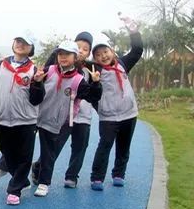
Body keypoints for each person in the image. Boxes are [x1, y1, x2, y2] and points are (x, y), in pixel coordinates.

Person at [29, 40, 102, 197]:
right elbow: (34, 96)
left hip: (57, 122)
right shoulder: (48, 71)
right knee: (24, 147)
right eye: (60, 54)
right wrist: (37, 82)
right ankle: (16, 177)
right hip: (37, 117)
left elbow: (92, 96)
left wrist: (96, 84)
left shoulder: (78, 80)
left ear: (75, 57)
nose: (63, 57)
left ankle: (44, 183)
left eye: (67, 54)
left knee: (49, 153)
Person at [0, 35, 45, 205]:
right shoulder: (0, 66)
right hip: (3, 119)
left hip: (26, 121)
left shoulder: (34, 70)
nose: (20, 45)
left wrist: (37, 83)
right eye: (18, 41)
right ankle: (21, 180)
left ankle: (14, 190)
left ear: (31, 48)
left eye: (25, 43)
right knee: (7, 152)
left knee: (24, 156)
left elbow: (36, 99)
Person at [89, 22, 144, 190]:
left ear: (112, 51)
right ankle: (97, 178)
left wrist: (133, 31)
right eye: (98, 55)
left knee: (123, 146)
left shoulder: (123, 64)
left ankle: (119, 174)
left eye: (105, 52)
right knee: (104, 146)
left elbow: (137, 50)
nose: (103, 56)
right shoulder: (95, 70)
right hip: (108, 117)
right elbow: (91, 93)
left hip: (129, 114)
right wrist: (100, 107)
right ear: (95, 58)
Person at [41, 31, 95, 188]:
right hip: (64, 116)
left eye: (86, 49)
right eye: (78, 47)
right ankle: (39, 169)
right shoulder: (60, 66)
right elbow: (48, 68)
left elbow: (95, 93)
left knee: (80, 146)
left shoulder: (92, 69)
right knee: (54, 147)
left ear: (89, 53)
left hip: (83, 116)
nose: (82, 51)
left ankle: (71, 176)